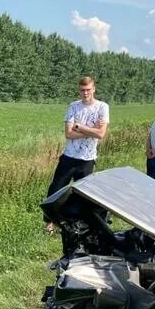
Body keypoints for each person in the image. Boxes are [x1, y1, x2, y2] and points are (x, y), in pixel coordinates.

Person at [44, 76, 109, 231]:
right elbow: (68, 133)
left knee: (84, 194)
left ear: (94, 89)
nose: (85, 93)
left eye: (88, 90)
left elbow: (101, 134)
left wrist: (79, 127)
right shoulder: (73, 106)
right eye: (82, 90)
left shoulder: (102, 107)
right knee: (57, 188)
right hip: (69, 156)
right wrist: (91, 130)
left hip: (87, 159)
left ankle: (79, 223)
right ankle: (49, 222)